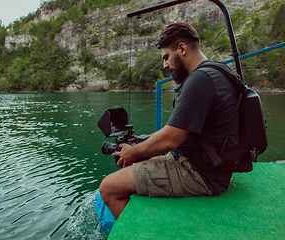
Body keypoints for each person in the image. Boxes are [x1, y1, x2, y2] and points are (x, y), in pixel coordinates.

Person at [99, 22, 240, 220]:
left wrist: (132, 151)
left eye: (166, 57)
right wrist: (140, 147)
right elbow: (174, 131)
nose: (165, 65)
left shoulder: (200, 80)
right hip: (212, 166)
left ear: (182, 49)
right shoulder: (217, 71)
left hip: (200, 173)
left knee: (108, 187)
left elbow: (170, 140)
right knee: (138, 160)